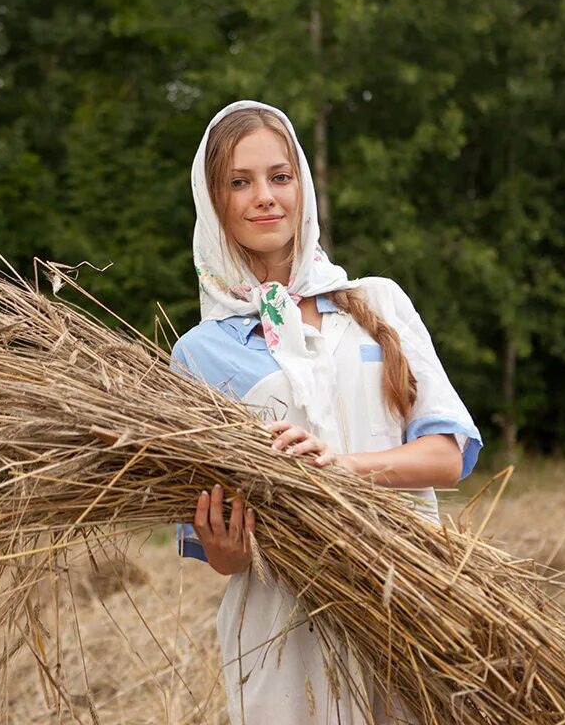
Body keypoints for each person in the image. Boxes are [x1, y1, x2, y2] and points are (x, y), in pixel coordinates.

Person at [170, 100, 482, 724]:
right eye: (240, 182)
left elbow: (447, 458)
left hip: (411, 606)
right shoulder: (199, 352)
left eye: (279, 176)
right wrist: (224, 542)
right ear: (213, 201)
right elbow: (219, 557)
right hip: (283, 637)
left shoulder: (378, 304)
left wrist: (339, 468)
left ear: (303, 187)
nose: (265, 197)